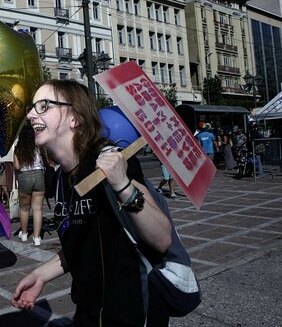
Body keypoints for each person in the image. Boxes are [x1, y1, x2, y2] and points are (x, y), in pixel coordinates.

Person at [11, 79, 172, 326]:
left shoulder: (109, 161)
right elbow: (79, 242)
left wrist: (123, 185)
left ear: (75, 118)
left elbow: (162, 239)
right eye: (33, 107)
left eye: (43, 105)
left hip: (132, 313)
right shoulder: (60, 179)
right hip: (87, 312)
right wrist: (40, 275)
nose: (31, 115)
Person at [13, 124, 47, 246]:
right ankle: (37, 237)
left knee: (24, 208)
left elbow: (17, 166)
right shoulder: (38, 146)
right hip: (39, 175)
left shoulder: (18, 148)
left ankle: (24, 233)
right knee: (37, 208)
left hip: (24, 176)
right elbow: (44, 161)